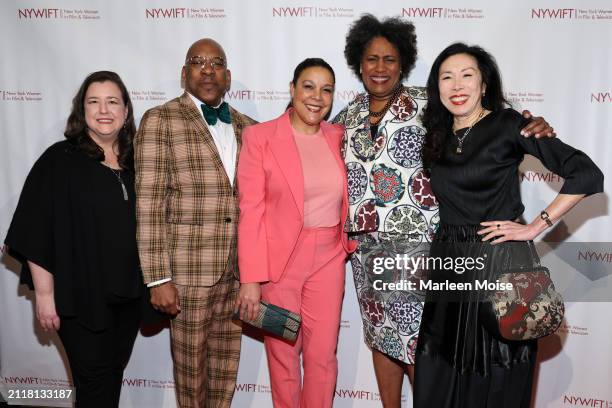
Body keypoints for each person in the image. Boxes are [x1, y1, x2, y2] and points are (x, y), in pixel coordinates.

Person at [331, 14, 557, 407]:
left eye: (389, 59)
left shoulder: (428, 105)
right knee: (381, 336)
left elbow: (487, 121)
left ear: (403, 63)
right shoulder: (345, 118)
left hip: (424, 253)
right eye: (371, 59)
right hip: (368, 256)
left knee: (425, 347)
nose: (380, 68)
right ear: (359, 64)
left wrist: (533, 125)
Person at [414, 42, 604, 408]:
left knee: (497, 370)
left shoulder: (510, 125)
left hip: (499, 263)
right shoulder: (436, 136)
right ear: (436, 87)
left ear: (484, 84)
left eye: (467, 75)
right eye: (446, 77)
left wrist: (535, 226)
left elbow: (585, 173)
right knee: (440, 371)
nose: (457, 85)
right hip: (449, 264)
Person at [4, 71, 147, 407]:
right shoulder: (60, 160)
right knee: (95, 383)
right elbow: (34, 227)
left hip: (128, 298)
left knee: (111, 375)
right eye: (93, 102)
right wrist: (44, 294)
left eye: (112, 101)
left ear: (126, 110)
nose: (103, 110)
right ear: (81, 111)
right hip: (79, 300)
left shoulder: (137, 161)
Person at [134, 38, 255, 407]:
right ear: (184, 73)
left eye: (216, 63)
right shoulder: (160, 120)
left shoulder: (251, 129)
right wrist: (158, 278)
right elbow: (149, 204)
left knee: (224, 375)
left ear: (228, 76)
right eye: (197, 62)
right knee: (190, 382)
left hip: (235, 276)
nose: (207, 69)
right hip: (186, 278)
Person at [235, 58, 356, 407]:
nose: (317, 97)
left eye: (326, 89)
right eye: (308, 86)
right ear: (292, 89)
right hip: (279, 263)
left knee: (322, 357)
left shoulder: (338, 136)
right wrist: (251, 278)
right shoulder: (259, 137)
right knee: (283, 356)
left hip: (329, 257)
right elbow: (251, 210)